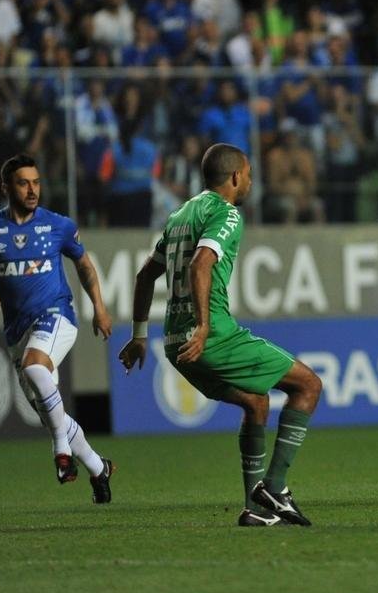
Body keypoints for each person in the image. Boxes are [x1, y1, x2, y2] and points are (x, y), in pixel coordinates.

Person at [117, 144, 324, 527]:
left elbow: (145, 275)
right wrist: (205, 324)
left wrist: (139, 335)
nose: (249, 181)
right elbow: (201, 264)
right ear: (234, 177)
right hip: (209, 337)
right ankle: (275, 489)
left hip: (176, 343)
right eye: (247, 174)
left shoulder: (180, 214)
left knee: (256, 404)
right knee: (308, 385)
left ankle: (254, 509)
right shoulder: (226, 213)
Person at [0, 154, 116, 502]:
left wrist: (99, 308)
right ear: (6, 187)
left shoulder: (59, 226)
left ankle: (61, 455)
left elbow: (84, 265)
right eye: (23, 183)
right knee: (50, 412)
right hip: (17, 332)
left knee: (35, 366)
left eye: (36, 182)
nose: (32, 189)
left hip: (58, 317)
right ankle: (99, 468)